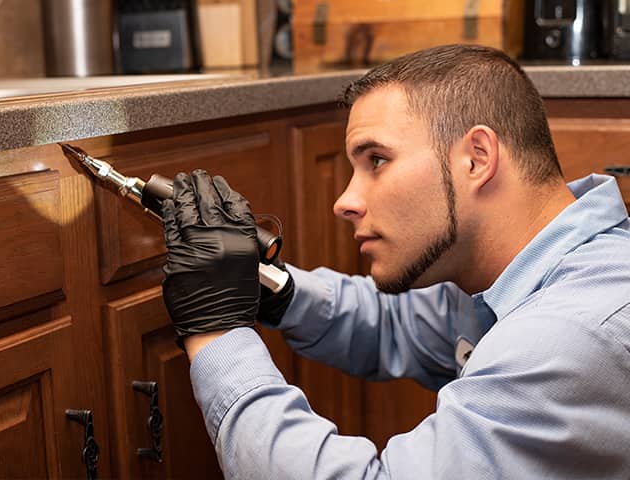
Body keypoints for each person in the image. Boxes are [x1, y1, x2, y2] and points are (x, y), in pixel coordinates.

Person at [159, 44, 630, 479]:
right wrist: (276, 289)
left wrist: (216, 332)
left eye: (377, 160)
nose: (344, 201)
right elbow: (397, 324)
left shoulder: (569, 336)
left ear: (477, 159)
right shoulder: (526, 271)